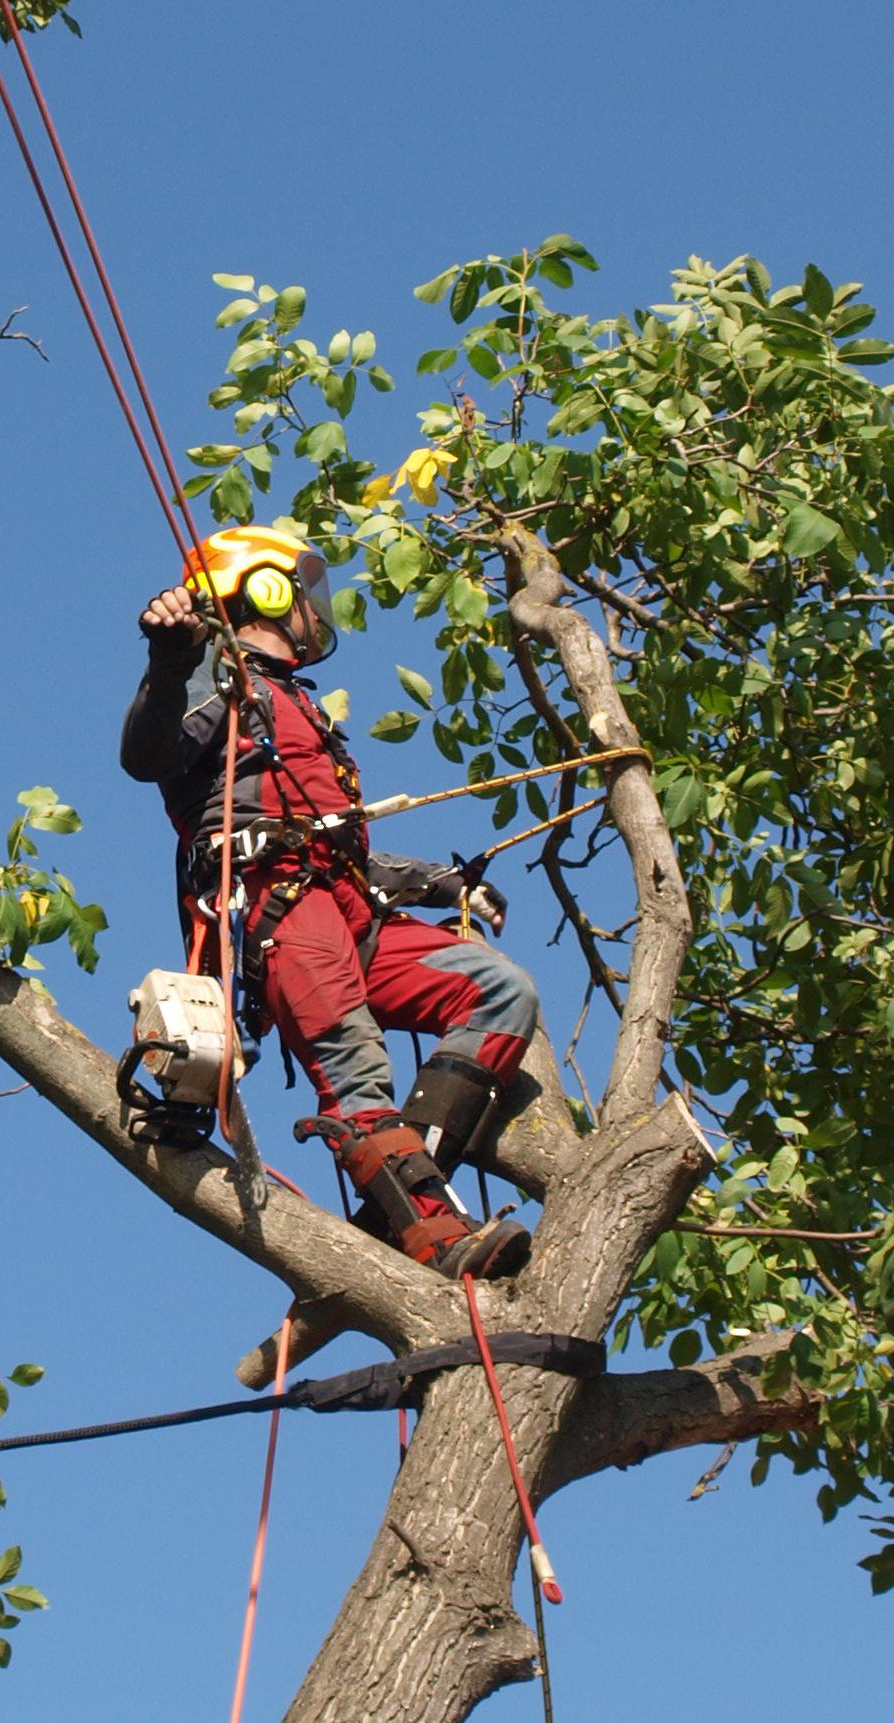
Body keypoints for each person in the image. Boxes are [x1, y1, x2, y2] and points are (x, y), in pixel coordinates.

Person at [120, 526, 537, 1280]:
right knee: (353, 1062)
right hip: (279, 909)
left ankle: (393, 1206)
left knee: (498, 990)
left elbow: (331, 838)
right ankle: (436, 1236)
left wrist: (435, 881)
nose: (318, 607)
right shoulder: (222, 694)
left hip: (348, 906)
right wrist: (166, 662)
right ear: (267, 593)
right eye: (301, 589)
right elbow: (144, 758)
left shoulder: (299, 709)